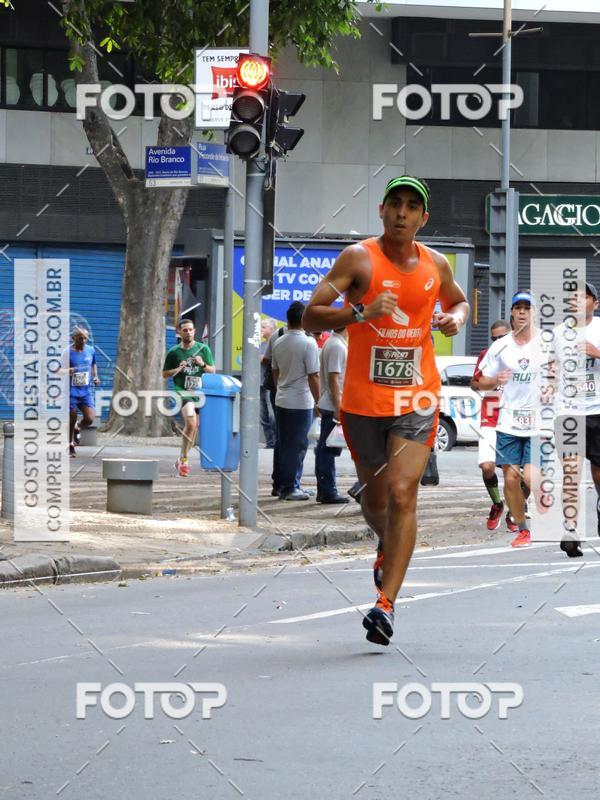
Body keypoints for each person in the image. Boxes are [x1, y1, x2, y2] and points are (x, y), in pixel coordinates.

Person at [303, 175, 469, 645]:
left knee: (402, 493)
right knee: (375, 502)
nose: (402, 213)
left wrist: (452, 319)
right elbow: (312, 314)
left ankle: (386, 604)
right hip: (361, 402)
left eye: (411, 207)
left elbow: (456, 302)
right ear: (381, 210)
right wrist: (361, 312)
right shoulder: (358, 258)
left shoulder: (436, 263)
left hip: (416, 397)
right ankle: (385, 545)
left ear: (423, 218)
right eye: (394, 204)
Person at [477, 292, 543, 548]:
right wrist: (496, 381)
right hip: (507, 423)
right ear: (513, 313)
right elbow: (480, 381)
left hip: (538, 423)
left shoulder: (546, 343)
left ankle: (539, 495)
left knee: (529, 478)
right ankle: (523, 529)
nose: (523, 312)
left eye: (528, 307)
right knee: (512, 480)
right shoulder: (500, 346)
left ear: (534, 313)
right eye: (518, 308)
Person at [551, 282, 600, 558]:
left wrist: (596, 352)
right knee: (571, 472)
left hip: (598, 411)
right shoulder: (558, 334)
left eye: (585, 297)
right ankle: (570, 529)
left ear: (596, 303)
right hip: (568, 412)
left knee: (598, 474)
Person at [271, 301, 320, 500]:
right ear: (303, 319)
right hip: (300, 402)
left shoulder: (278, 341)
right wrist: (319, 401)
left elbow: (274, 370)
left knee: (283, 443)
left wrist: (281, 387)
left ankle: (281, 485)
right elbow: (314, 375)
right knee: (298, 445)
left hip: (282, 399)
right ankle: (291, 487)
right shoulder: (308, 343)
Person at [162, 318, 216, 477]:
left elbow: (212, 371)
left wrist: (202, 365)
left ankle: (181, 458)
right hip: (182, 391)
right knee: (191, 423)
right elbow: (164, 374)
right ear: (179, 332)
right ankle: (185, 460)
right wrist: (177, 369)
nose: (188, 332)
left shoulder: (203, 349)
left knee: (194, 427)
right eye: (185, 330)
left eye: (191, 329)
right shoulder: (174, 352)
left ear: (194, 331)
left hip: (199, 392)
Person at [471, 320, 511, 530]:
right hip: (490, 415)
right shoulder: (487, 355)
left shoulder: (522, 353)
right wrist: (494, 381)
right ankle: (497, 503)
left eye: (501, 337)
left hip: (513, 419)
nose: (497, 342)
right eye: (493, 338)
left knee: (512, 471)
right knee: (487, 466)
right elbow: (474, 383)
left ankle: (515, 511)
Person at [315, 327, 349, 504]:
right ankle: (328, 490)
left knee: (326, 448)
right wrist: (339, 407)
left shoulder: (334, 343)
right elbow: (334, 378)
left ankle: (325, 489)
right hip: (332, 404)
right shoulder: (336, 345)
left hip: (330, 402)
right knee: (328, 449)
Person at [68, 327, 100, 457]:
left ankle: (78, 427)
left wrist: (96, 376)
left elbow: (93, 364)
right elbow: (57, 369)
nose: (83, 340)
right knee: (72, 417)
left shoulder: (90, 350)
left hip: (85, 391)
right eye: (80, 337)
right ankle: (70, 445)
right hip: (71, 391)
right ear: (74, 338)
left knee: (90, 418)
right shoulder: (67, 352)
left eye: (85, 338)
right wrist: (69, 370)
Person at [260, 318, 278, 448]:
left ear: (272, 329)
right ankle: (269, 442)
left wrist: (263, 358)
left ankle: (277, 441)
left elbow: (267, 361)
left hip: (270, 383)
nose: (260, 329)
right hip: (260, 382)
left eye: (263, 327)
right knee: (263, 415)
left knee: (272, 415)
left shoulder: (276, 343)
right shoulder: (259, 345)